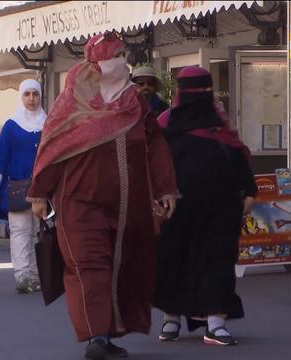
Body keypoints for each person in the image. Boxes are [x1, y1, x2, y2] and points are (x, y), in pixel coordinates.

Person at [27, 33, 179, 360]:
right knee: (90, 264)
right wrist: (39, 193)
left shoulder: (135, 101)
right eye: (115, 55)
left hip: (128, 205)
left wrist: (165, 187)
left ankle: (107, 333)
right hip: (78, 203)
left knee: (120, 267)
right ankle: (96, 335)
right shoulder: (73, 99)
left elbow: (155, 146)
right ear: (97, 62)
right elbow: (52, 148)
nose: (122, 61)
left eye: (124, 54)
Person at [153, 66, 257, 346]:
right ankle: (173, 320)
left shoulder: (206, 123)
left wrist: (248, 189)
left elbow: (236, 155)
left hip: (217, 206)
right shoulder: (166, 124)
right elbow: (153, 163)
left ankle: (212, 322)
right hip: (178, 205)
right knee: (182, 258)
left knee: (208, 258)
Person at [0, 79, 46, 294]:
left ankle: (34, 276)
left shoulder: (47, 123)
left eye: (35, 94)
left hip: (43, 189)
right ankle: (22, 275)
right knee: (20, 231)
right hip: (18, 187)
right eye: (27, 94)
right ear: (21, 97)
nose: (31, 99)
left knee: (36, 233)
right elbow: (0, 159)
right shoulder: (12, 125)